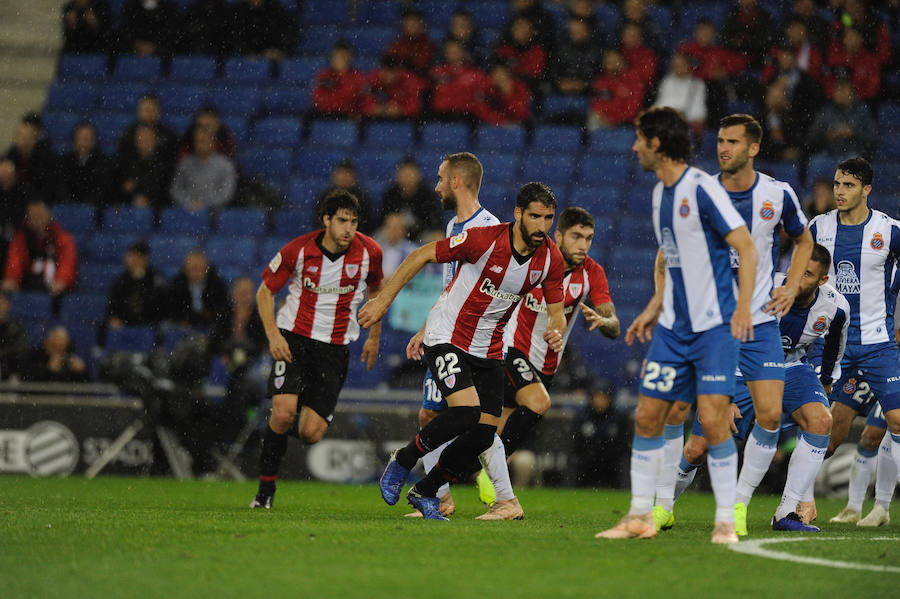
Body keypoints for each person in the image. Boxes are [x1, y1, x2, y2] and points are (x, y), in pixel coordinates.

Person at [595, 107, 757, 544]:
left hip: (714, 329)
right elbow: (673, 262)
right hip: (672, 330)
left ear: (657, 143)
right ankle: (639, 517)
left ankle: (725, 521)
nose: (634, 147)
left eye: (639, 139)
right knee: (648, 415)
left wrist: (743, 308)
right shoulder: (658, 195)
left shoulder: (702, 189)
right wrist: (655, 305)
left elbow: (746, 247)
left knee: (713, 421)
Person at [363, 180, 565, 520]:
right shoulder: (485, 240)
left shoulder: (550, 259)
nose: (541, 227)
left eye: (548, 218)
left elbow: (556, 311)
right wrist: (382, 301)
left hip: (490, 348)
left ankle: (426, 490)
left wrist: (555, 330)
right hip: (447, 335)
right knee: (466, 412)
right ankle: (403, 459)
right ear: (518, 214)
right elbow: (421, 254)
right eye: (535, 216)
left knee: (484, 434)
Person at [652, 114, 813, 536]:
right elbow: (665, 255)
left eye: (733, 142)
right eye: (721, 140)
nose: (723, 148)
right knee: (679, 410)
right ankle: (662, 506)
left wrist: (791, 285)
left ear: (753, 148)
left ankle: (738, 505)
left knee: (771, 414)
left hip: (759, 323)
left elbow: (804, 240)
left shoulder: (777, 194)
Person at [674, 246, 847, 533]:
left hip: (792, 368)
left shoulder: (836, 307)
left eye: (806, 274)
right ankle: (662, 505)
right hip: (742, 367)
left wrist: (827, 378)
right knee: (697, 449)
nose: (796, 278)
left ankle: (786, 512)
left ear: (823, 280)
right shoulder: (762, 290)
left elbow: (834, 344)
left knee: (821, 421)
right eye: (795, 269)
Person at [483, 205, 620, 519]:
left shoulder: (592, 273)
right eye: (576, 236)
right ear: (558, 235)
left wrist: (604, 321)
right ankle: (487, 479)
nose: (583, 245)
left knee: (495, 428)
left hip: (546, 365)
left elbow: (614, 325)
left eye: (588, 238)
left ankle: (458, 484)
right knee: (539, 404)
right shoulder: (535, 258)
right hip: (511, 349)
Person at [250, 190, 384, 509]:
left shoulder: (370, 252)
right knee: (283, 412)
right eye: (342, 221)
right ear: (326, 220)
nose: (348, 229)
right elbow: (264, 292)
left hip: (334, 350)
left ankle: (276, 432)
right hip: (293, 339)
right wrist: (273, 336)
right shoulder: (298, 250)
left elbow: (377, 291)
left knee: (311, 434)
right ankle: (264, 492)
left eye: (353, 222)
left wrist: (374, 337)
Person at [394, 152, 500, 518]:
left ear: (457, 182)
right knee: (430, 414)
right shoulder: (455, 226)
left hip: (473, 340)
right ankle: (441, 498)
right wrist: (428, 327)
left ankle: (503, 498)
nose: (436, 186)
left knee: (479, 424)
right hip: (446, 333)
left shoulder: (489, 228)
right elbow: (452, 286)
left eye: (441, 179)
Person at [806, 157, 900, 522]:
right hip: (833, 345)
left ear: (866, 189)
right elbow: (799, 274)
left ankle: (882, 506)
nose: (840, 191)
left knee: (896, 421)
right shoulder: (818, 227)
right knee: (825, 432)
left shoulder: (889, 231)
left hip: (878, 346)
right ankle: (795, 501)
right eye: (837, 184)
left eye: (848, 185)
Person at [2, 199, 78, 298]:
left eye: (40, 216)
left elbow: (67, 263)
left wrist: (62, 280)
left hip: (55, 290)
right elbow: (15, 262)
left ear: (49, 215)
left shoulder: (62, 238)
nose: (37, 221)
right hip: (28, 287)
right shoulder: (21, 239)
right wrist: (12, 279)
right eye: (33, 217)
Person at [569, 381, 631, 487]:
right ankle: (568, 491)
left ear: (609, 399)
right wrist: (590, 453)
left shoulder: (619, 417)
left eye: (603, 397)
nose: (599, 401)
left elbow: (624, 443)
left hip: (612, 461)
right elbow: (576, 443)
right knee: (574, 460)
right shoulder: (582, 416)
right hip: (588, 460)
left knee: (625, 461)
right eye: (597, 397)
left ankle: (626, 492)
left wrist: (609, 452)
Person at [170, 127, 237, 212]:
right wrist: (189, 203)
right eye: (198, 141)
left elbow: (226, 193)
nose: (200, 145)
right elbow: (176, 189)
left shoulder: (225, 165)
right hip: (186, 211)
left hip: (215, 212)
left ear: (213, 143)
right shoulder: (185, 163)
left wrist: (204, 204)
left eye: (204, 141)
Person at [105, 240, 166, 332]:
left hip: (150, 324)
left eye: (137, 257)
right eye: (131, 256)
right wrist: (114, 318)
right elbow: (113, 305)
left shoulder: (156, 279)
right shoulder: (120, 281)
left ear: (145, 259)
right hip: (124, 324)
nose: (133, 260)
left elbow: (160, 305)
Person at [378, 156, 442, 241]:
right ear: (398, 175)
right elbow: (383, 220)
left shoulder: (428, 195)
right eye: (404, 174)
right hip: (395, 234)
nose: (407, 179)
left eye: (410, 174)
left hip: (421, 235)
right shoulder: (390, 194)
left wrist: (414, 228)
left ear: (418, 176)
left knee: (437, 237)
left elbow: (435, 223)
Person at [115, 123, 174, 212]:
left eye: (148, 139)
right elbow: (119, 188)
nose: (145, 142)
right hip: (128, 208)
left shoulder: (164, 163)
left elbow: (165, 190)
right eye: (142, 139)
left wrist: (148, 198)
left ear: (155, 141)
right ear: (136, 141)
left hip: (157, 210)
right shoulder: (126, 162)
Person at [166, 249, 229, 331]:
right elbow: (172, 308)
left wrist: (209, 316)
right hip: (183, 326)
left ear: (206, 268)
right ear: (185, 270)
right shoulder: (176, 285)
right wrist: (183, 320)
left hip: (211, 325)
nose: (196, 273)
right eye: (192, 268)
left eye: (199, 269)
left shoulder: (217, 285)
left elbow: (221, 309)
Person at [56, 121, 113, 208]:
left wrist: (87, 207)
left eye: (87, 138)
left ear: (94, 140)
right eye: (81, 138)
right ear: (75, 140)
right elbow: (61, 187)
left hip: (95, 209)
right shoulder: (64, 161)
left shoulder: (103, 162)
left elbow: (103, 188)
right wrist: (71, 205)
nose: (84, 142)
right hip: (68, 208)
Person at [210, 275, 266, 357]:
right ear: (233, 293)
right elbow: (215, 341)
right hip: (225, 356)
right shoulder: (223, 315)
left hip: (253, 357)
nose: (245, 297)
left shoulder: (260, 317)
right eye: (242, 293)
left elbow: (262, 344)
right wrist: (225, 355)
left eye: (248, 293)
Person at [313, 160, 374, 235]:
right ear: (334, 176)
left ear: (354, 177)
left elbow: (367, 224)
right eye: (341, 173)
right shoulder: (325, 197)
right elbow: (318, 221)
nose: (344, 177)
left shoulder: (362, 198)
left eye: (348, 174)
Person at [652, 52, 707, 136]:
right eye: (675, 65)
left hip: (688, 124)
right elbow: (661, 103)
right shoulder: (667, 81)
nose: (677, 68)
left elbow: (698, 112)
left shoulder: (697, 84)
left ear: (689, 66)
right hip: (667, 122)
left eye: (681, 65)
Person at [5, 116, 57, 201]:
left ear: (34, 138)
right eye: (18, 134)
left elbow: (46, 186)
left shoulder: (46, 157)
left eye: (25, 136)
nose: (19, 139)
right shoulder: (11, 154)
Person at [549, 13, 602, 96]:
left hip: (589, 95)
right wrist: (560, 83)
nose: (576, 29)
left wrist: (584, 84)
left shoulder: (596, 50)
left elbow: (598, 75)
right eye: (574, 28)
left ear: (587, 29)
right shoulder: (560, 48)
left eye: (579, 27)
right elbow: (552, 72)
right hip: (560, 94)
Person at [311, 42, 367, 118]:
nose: (340, 59)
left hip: (348, 116)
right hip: (324, 114)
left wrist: (337, 101)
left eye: (343, 56)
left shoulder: (357, 76)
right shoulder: (324, 75)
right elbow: (317, 99)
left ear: (350, 57)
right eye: (337, 56)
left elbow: (355, 99)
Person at [228, 0, 298, 60]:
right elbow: (233, 38)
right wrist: (246, 52)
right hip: (243, 59)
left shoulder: (276, 10)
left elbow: (287, 34)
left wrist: (277, 50)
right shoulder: (237, 13)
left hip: (271, 59)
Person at [472, 62, 532, 127]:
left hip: (518, 126)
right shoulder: (489, 89)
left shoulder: (519, 88)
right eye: (495, 74)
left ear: (507, 74)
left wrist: (507, 93)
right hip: (494, 126)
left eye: (500, 73)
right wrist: (502, 121)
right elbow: (481, 111)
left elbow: (522, 113)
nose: (498, 77)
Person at [22, 326, 88, 383]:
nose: (58, 347)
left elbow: (83, 386)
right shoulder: (34, 356)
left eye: (62, 346)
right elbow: (25, 378)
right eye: (54, 345)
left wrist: (81, 372)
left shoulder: (69, 359)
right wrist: (48, 369)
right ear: (46, 342)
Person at [386, 8, 437, 76]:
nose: (411, 25)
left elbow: (422, 67)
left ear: (422, 25)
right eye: (408, 21)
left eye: (415, 22)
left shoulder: (429, 46)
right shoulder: (396, 45)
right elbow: (388, 66)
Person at [374, 212, 417, 279]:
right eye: (390, 227)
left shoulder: (412, 251)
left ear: (404, 231)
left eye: (397, 228)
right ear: (384, 229)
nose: (393, 231)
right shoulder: (376, 249)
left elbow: (416, 276)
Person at [0, 290, 28, 381]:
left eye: (2, 303)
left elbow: (20, 350)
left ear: (7, 305)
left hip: (10, 370)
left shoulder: (18, 327)